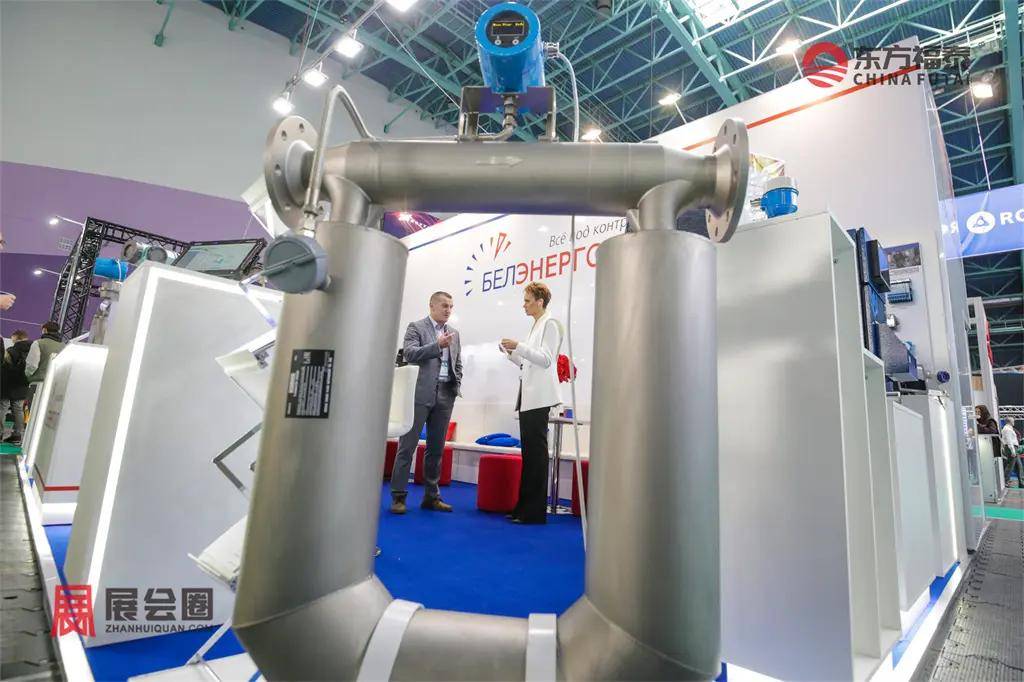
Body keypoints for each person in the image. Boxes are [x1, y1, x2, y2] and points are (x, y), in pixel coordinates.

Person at [390, 291, 462, 514]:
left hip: (445, 395)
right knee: (407, 447)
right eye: (444, 306)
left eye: (451, 306)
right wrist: (436, 346)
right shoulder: (416, 327)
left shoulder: (455, 333)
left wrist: (456, 384)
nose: (448, 310)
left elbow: (457, 362)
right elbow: (409, 354)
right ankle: (398, 496)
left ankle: (432, 496)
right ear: (432, 306)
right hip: (419, 395)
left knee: (436, 449)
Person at [500, 281, 563, 525]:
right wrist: (512, 354)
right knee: (529, 455)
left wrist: (519, 346)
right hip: (529, 397)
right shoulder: (536, 325)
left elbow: (546, 360)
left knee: (536, 457)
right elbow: (529, 363)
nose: (524, 305)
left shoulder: (550, 324)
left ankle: (534, 512)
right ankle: (523, 507)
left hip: (539, 398)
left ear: (540, 301)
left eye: (527, 301)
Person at [1, 330, 31, 444]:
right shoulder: (32, 350)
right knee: (18, 410)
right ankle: (17, 436)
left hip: (8, 384)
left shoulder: (11, 350)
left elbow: (4, 367)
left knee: (2, 407)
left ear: (16, 337)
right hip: (23, 385)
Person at [25, 321, 66, 402]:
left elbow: (32, 365)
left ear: (44, 330)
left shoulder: (38, 343)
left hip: (38, 384)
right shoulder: (64, 346)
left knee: (32, 408)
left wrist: (27, 375)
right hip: (55, 385)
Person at [1000, 417, 1022, 488]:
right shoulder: (1007, 429)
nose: (1014, 422)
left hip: (1013, 448)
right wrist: (1012, 451)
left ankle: (1021, 482)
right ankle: (1005, 482)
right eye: (1013, 420)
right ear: (1009, 421)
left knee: (1019, 466)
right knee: (1010, 466)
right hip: (1011, 448)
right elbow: (1009, 441)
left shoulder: (1009, 429)